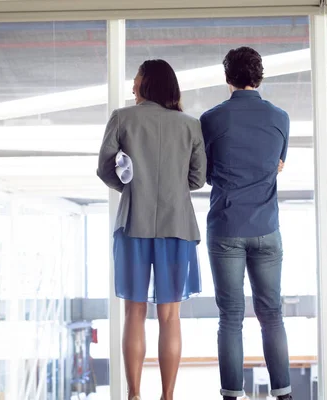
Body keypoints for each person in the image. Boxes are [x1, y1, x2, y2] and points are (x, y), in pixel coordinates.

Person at [97, 59, 207, 400]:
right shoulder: (191, 126)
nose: (132, 86)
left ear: (147, 83)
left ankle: (133, 394)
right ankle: (168, 396)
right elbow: (198, 179)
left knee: (134, 311)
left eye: (136, 80)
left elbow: (104, 169)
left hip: (134, 224)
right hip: (177, 226)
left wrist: (129, 186)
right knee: (170, 316)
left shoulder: (122, 118)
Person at [200, 47, 292, 400]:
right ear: (260, 76)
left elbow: (205, 173)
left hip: (225, 228)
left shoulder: (211, 120)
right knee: (272, 315)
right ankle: (283, 393)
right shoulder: (280, 118)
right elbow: (278, 164)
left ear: (228, 78)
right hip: (267, 229)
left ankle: (231, 395)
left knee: (231, 317)